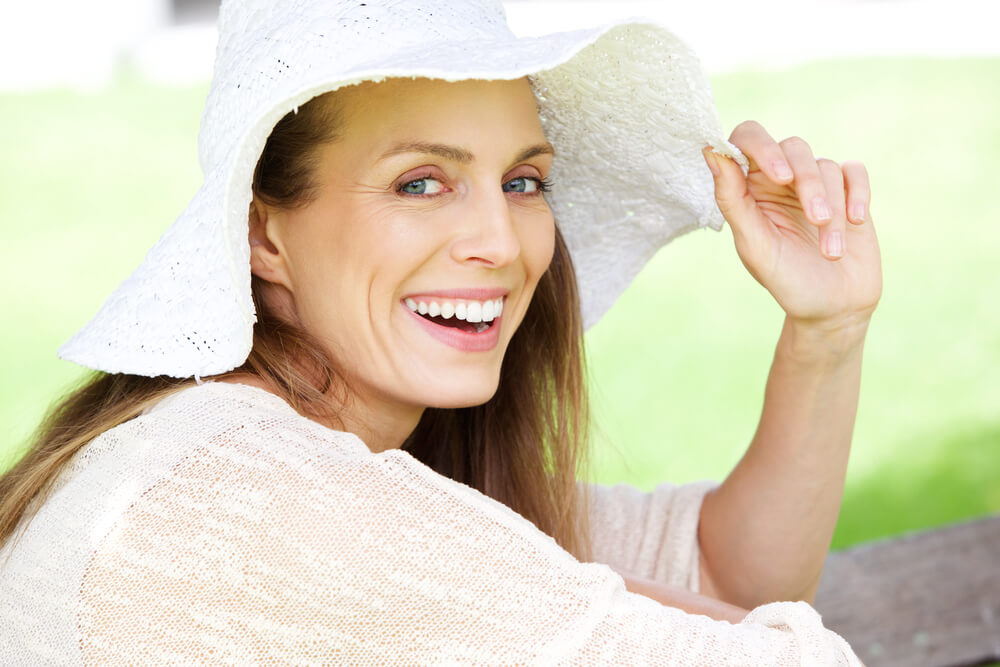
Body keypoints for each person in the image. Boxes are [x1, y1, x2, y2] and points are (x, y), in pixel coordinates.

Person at [0, 0, 880, 663]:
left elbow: (724, 571)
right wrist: (596, 604)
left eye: (524, 181)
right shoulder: (248, 495)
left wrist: (827, 331)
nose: (500, 242)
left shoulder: (273, 448)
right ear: (265, 234)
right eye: (420, 183)